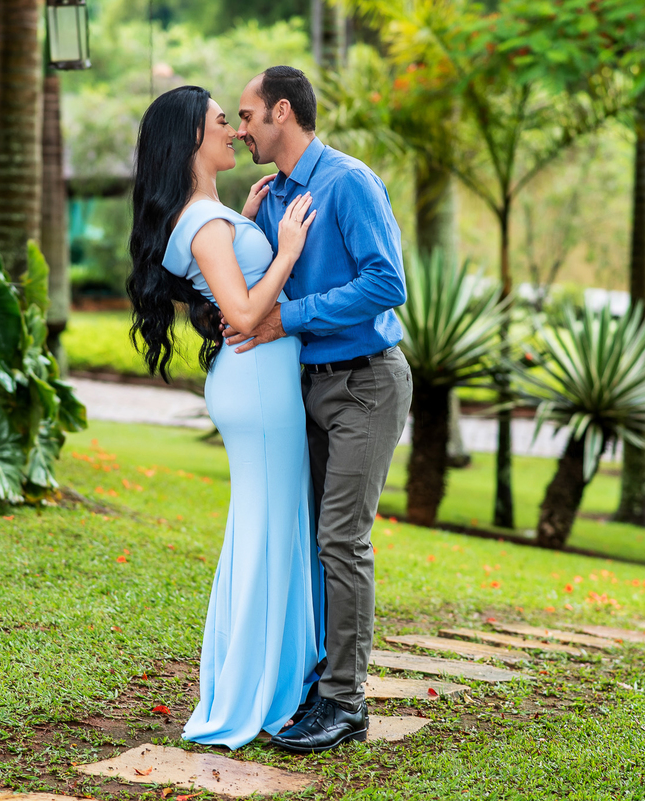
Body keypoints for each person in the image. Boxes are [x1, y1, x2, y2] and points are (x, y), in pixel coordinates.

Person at [126, 85, 325, 750]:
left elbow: (223, 278)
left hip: (256, 387)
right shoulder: (204, 223)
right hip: (261, 389)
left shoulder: (207, 215)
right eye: (222, 122)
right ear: (191, 142)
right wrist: (288, 248)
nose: (235, 132)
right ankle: (249, 695)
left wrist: (243, 220)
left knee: (267, 531)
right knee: (267, 534)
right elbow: (241, 314)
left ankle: (267, 685)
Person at [228, 66, 412, 754]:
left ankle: (345, 702)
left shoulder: (348, 182)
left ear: (282, 112)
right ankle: (317, 682)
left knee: (342, 538)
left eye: (247, 116)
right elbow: (259, 287)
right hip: (309, 388)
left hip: (367, 382)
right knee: (309, 538)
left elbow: (387, 281)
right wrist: (247, 225)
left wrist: (293, 316)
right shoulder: (273, 196)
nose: (241, 128)